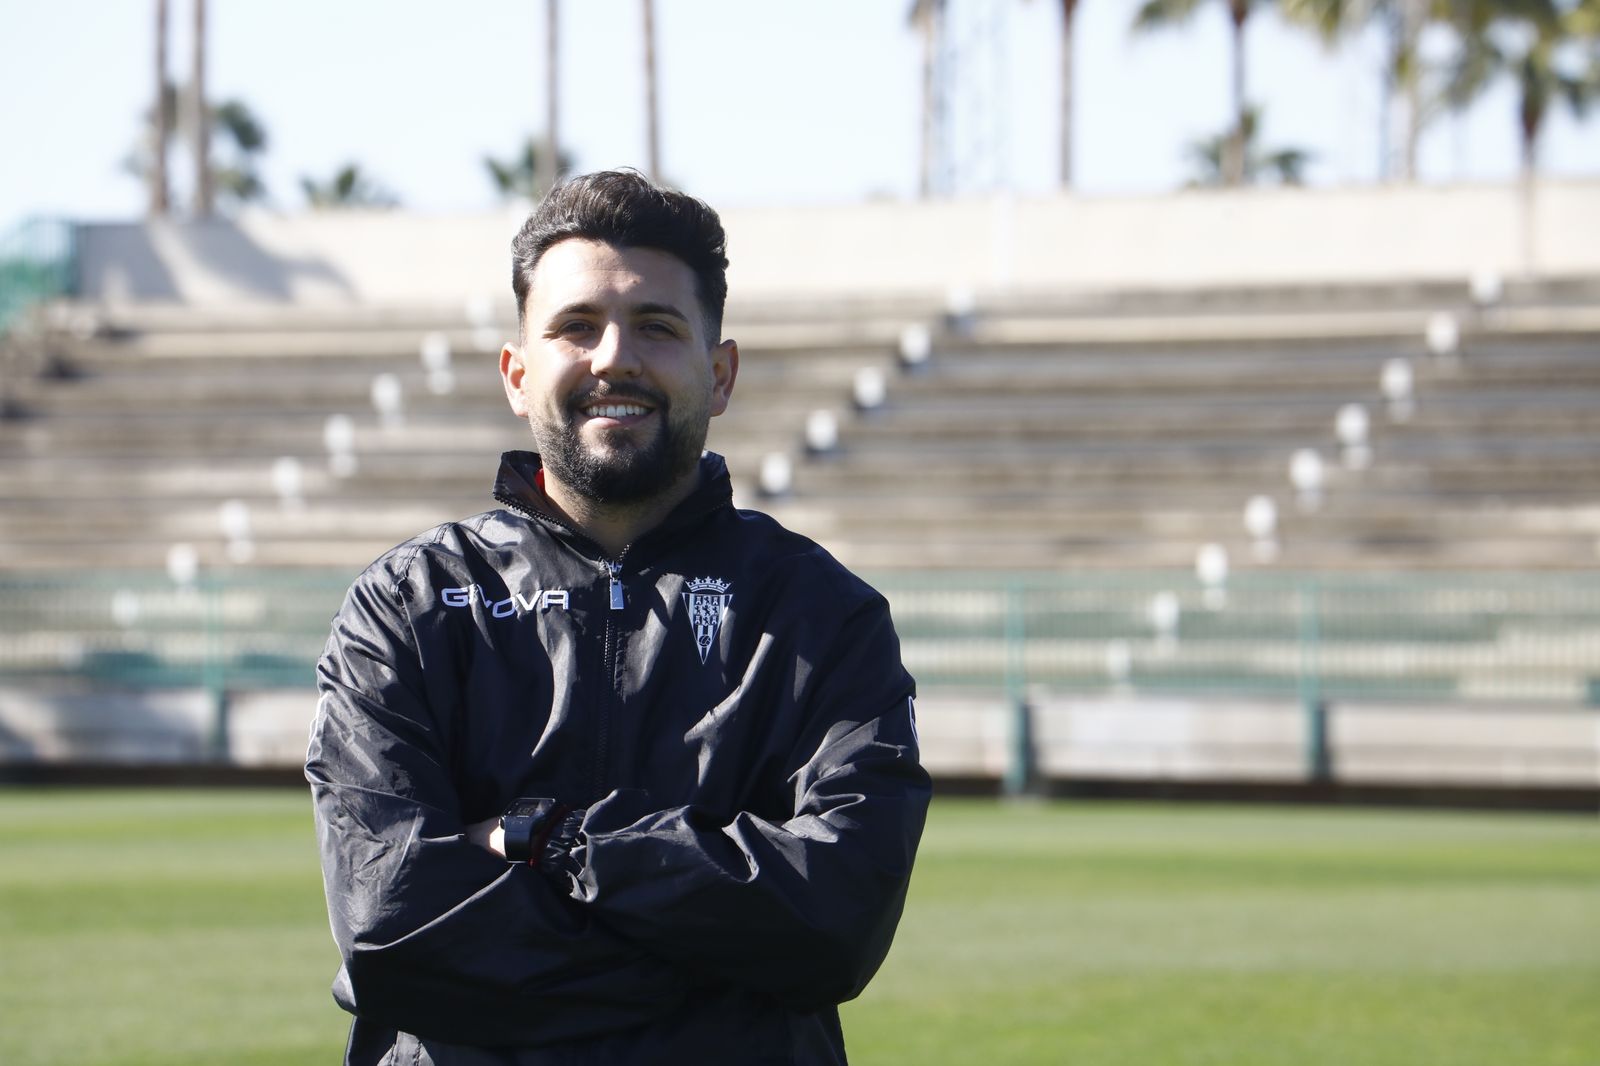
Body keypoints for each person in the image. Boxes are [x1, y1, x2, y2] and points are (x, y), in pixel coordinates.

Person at [306, 169, 931, 1066]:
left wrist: (550, 840)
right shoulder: (405, 607)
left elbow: (835, 921)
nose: (614, 358)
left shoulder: (819, 615)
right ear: (518, 374)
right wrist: (716, 954)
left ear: (720, 375)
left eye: (657, 327)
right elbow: (392, 925)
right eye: (576, 327)